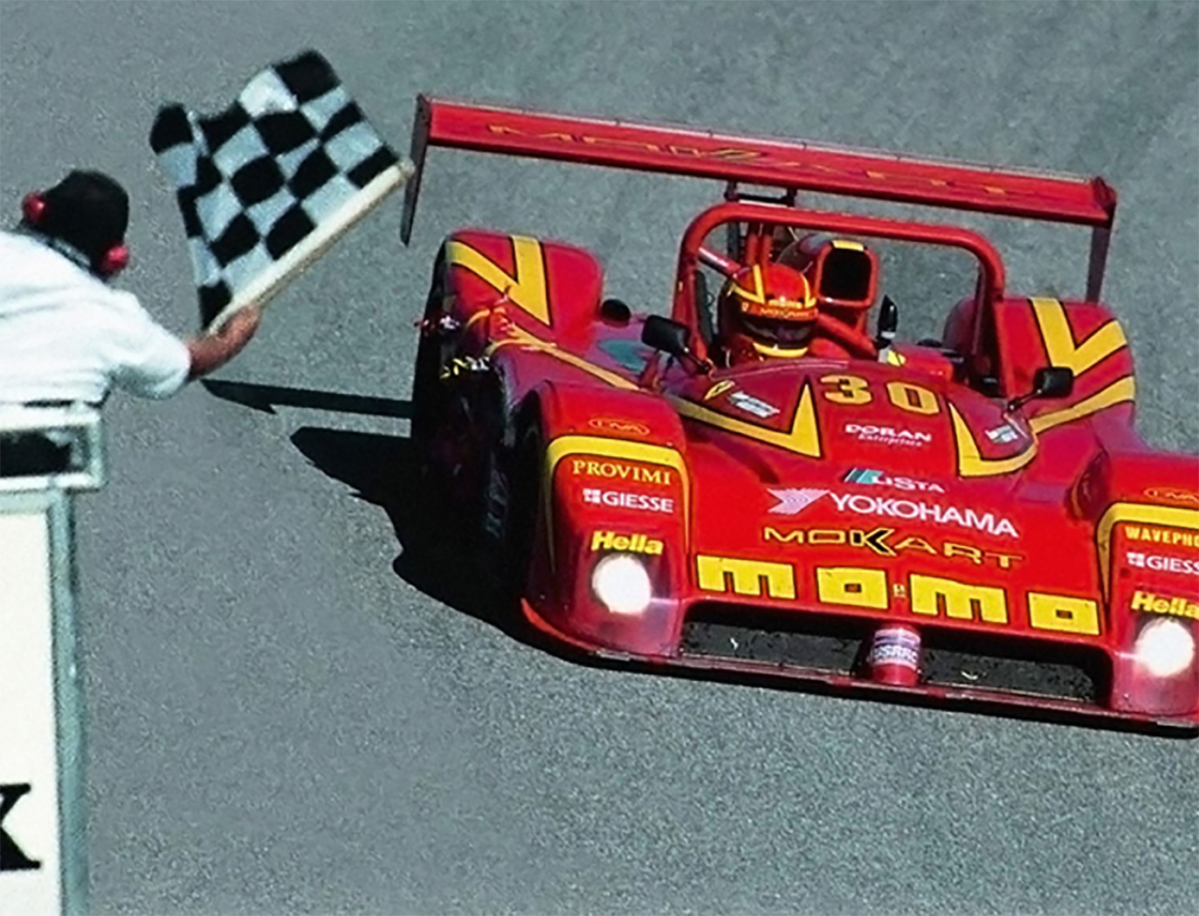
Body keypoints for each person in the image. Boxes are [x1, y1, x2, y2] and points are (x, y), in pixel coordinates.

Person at [0, 170, 260, 475]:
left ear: (34, 209)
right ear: (114, 257)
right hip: (25, 464)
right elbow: (187, 363)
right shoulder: (115, 318)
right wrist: (237, 331)